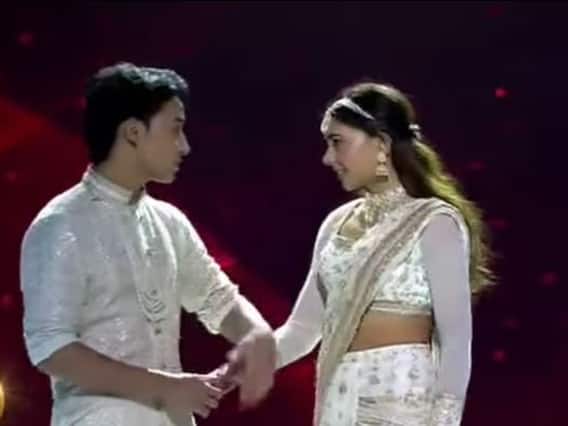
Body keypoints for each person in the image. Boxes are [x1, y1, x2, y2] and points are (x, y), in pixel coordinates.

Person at [20, 62, 276, 426]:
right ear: (133, 133)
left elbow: (216, 299)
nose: (185, 146)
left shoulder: (169, 222)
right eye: (175, 129)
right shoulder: (60, 225)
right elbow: (51, 348)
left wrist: (256, 335)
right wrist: (165, 388)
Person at [270, 82, 493, 425]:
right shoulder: (336, 224)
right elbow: (302, 328)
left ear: (381, 144)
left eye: (337, 142)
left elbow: (456, 341)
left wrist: (445, 420)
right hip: (338, 402)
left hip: (402, 407)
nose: (328, 158)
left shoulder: (435, 223)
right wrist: (233, 371)